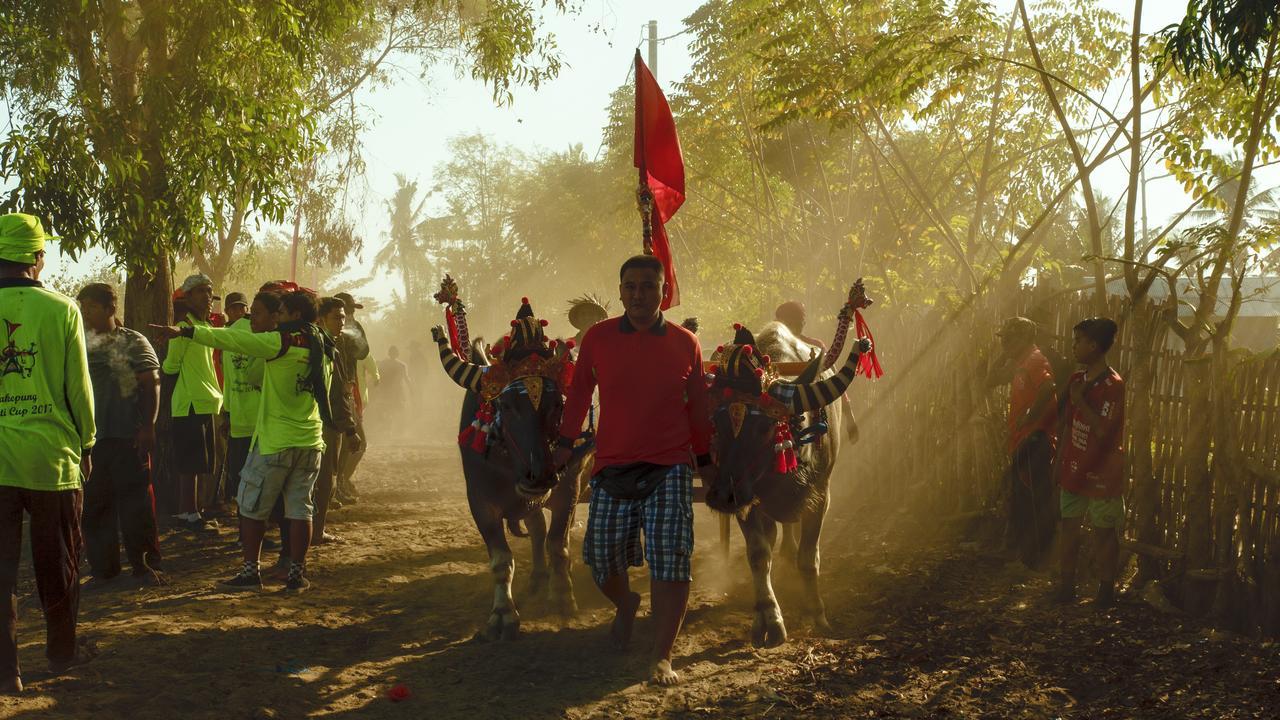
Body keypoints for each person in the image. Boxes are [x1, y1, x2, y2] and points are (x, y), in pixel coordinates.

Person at [552, 255, 714, 687]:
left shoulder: (686, 343)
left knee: (671, 561)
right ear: (620, 291)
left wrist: (709, 464)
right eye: (631, 287)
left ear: (664, 291)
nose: (639, 294)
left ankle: (662, 656)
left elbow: (699, 408)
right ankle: (626, 604)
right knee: (600, 559)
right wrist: (564, 446)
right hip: (612, 466)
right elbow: (580, 394)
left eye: (648, 286)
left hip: (670, 465)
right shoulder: (598, 339)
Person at [151, 290, 333, 592]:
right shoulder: (324, 347)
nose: (278, 318)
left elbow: (230, 340)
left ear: (296, 315)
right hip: (311, 440)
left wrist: (185, 330)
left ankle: (250, 573)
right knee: (301, 509)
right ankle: (296, 576)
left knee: (250, 507)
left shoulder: (279, 342)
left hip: (275, 441)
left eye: (283, 312)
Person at [0, 213, 97, 693]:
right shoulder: (62, 310)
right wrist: (88, 442)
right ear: (37, 259)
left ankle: (6, 673)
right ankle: (60, 657)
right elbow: (78, 389)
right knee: (57, 563)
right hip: (51, 457)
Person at [77, 283, 164, 585]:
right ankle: (104, 571)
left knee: (135, 505)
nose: (86, 312)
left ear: (111, 308)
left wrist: (148, 426)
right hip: (93, 441)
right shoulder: (81, 343)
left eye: (91, 306)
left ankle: (143, 566)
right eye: (83, 306)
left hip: (128, 436)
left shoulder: (133, 342)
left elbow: (151, 382)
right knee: (96, 507)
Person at [1054, 317, 1126, 607]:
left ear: (1094, 346)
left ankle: (1106, 592)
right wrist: (1059, 459)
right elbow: (1070, 425)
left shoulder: (1113, 385)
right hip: (1074, 466)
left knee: (1104, 534)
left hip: (1104, 472)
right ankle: (1066, 586)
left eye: (1078, 341)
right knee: (1068, 528)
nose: (1073, 346)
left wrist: (1081, 401)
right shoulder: (1077, 380)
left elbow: (1104, 431)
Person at [986, 316, 1058, 567]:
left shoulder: (1035, 360)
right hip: (1024, 439)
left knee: (1032, 499)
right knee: (1021, 497)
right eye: (1003, 338)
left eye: (1009, 338)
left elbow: (1049, 387)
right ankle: (1023, 555)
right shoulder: (1021, 361)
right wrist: (1005, 353)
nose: (1004, 343)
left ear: (1024, 338)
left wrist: (1029, 417)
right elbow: (991, 379)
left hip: (1035, 439)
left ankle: (1033, 559)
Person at [163, 273, 223, 532]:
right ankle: (190, 513)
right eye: (200, 292)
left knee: (199, 463)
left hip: (204, 401)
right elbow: (171, 366)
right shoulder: (183, 327)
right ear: (187, 298)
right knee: (190, 464)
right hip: (188, 403)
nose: (207, 298)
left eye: (209, 292)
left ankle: (192, 511)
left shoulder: (205, 328)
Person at [312, 296, 361, 544]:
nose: (342, 322)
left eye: (343, 317)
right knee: (324, 481)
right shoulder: (325, 345)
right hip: (325, 423)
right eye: (337, 317)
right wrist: (350, 429)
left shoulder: (333, 343)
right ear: (321, 319)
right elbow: (338, 391)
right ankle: (316, 532)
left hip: (319, 421)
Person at [334, 292, 370, 504]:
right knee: (352, 442)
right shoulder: (342, 331)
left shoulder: (345, 330)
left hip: (346, 391)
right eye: (350, 310)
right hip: (341, 393)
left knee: (350, 443)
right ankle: (338, 484)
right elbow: (363, 350)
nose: (351, 314)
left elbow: (362, 352)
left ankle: (339, 483)